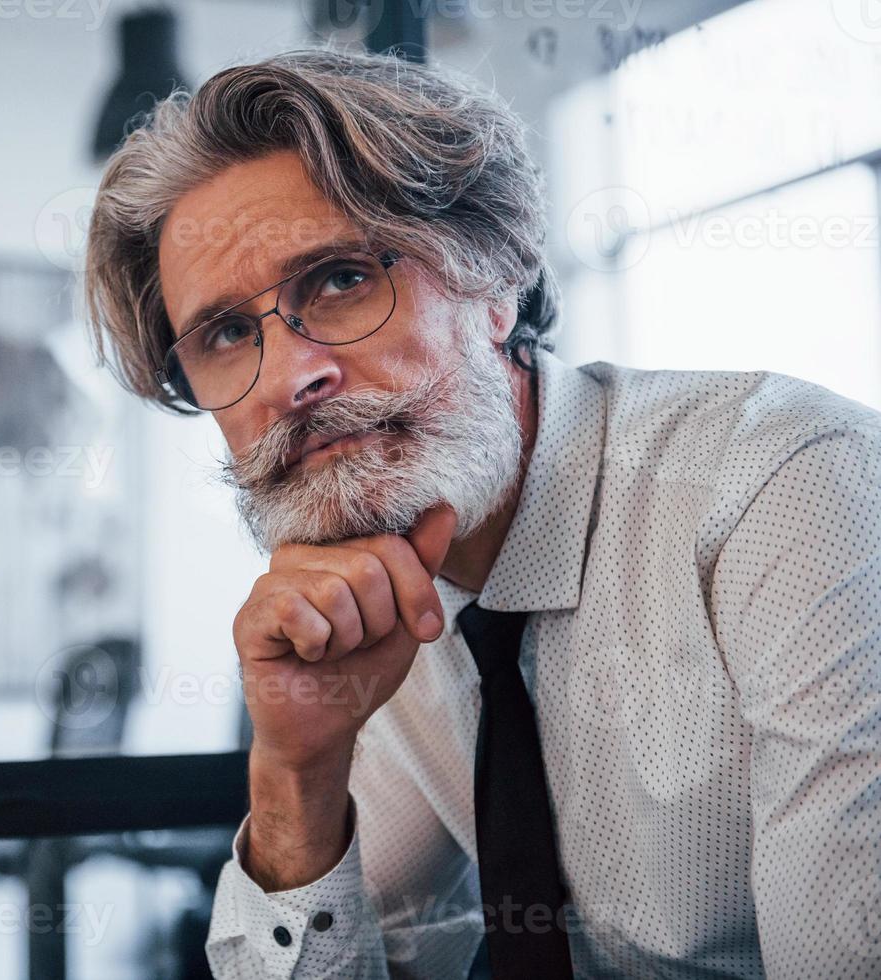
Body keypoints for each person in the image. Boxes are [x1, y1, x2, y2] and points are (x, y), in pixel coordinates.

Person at [82, 48, 881, 979]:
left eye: (340, 280)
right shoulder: (379, 597)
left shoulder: (781, 488)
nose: (295, 379)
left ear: (496, 280)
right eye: (226, 334)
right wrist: (297, 773)